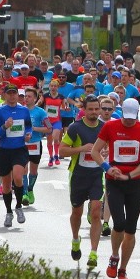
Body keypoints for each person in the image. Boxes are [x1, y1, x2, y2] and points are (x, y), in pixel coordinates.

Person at [91, 98, 140, 279]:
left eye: (131, 118)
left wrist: (130, 175)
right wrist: (107, 168)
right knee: (118, 223)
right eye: (125, 118)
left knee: (131, 229)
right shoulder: (110, 127)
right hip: (114, 181)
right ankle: (114, 256)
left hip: (133, 183)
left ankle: (123, 269)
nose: (128, 121)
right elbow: (95, 151)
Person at [59, 94, 105, 270]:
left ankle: (93, 252)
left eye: (96, 109)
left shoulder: (104, 128)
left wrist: (105, 154)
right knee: (76, 212)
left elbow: (110, 148)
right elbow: (62, 151)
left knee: (95, 212)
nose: (94, 112)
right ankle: (76, 238)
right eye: (90, 109)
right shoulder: (75, 128)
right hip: (78, 174)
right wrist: (82, 149)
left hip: (96, 175)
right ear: (84, 110)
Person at [0, 82, 32, 227]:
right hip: (4, 150)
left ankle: (19, 206)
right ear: (5, 95)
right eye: (10, 93)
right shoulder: (0, 111)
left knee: (18, 177)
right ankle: (9, 212)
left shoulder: (24, 110)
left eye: (15, 93)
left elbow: (28, 126)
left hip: (19, 149)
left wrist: (28, 135)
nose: (13, 96)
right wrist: (4, 127)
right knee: (6, 185)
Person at [23, 88, 52, 205]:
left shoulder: (41, 112)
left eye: (29, 96)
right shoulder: (21, 110)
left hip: (35, 143)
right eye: (25, 96)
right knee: (23, 169)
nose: (26, 98)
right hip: (22, 144)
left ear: (35, 98)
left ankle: (30, 189)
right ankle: (24, 193)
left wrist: (34, 129)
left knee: (33, 170)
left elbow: (49, 128)